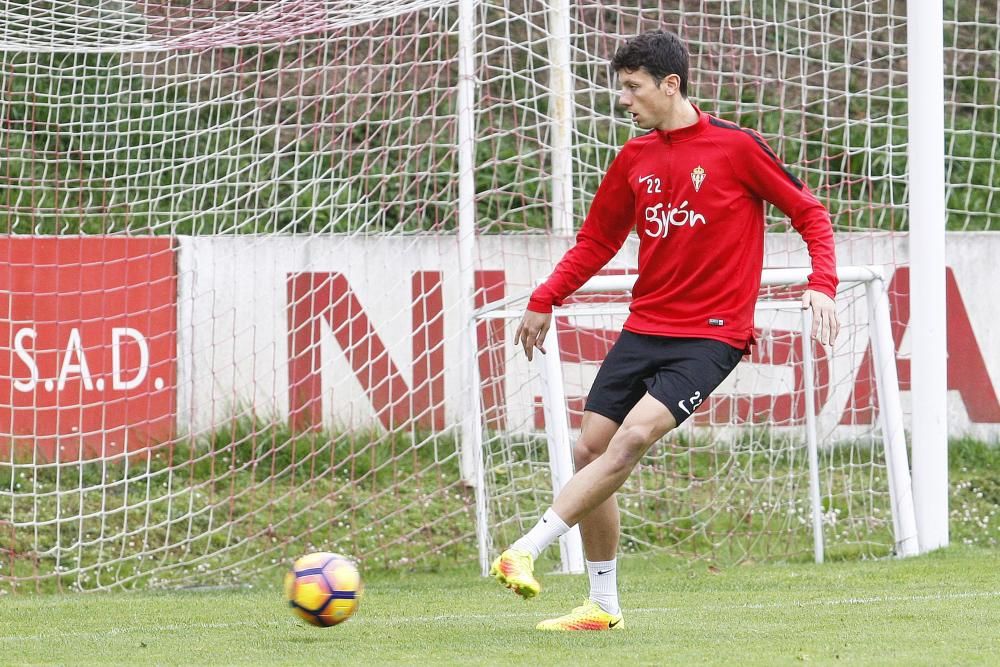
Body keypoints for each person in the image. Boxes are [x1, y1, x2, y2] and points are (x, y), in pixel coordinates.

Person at [490, 29, 840, 631]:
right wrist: (545, 297)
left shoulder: (737, 148)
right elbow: (598, 240)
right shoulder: (634, 158)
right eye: (620, 87)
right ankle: (602, 606)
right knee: (589, 449)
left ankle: (526, 547)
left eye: (633, 88)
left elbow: (809, 212)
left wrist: (822, 283)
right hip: (645, 326)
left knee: (630, 441)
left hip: (713, 336)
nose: (623, 100)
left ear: (669, 84)